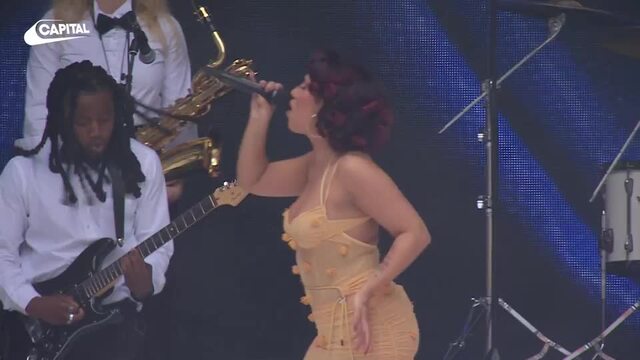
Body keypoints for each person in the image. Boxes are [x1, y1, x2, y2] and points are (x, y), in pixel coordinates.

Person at [237, 50, 431, 359]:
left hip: (373, 328)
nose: (294, 92)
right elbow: (253, 181)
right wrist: (259, 118)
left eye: (304, 87)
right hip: (332, 335)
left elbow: (415, 232)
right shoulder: (316, 166)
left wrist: (369, 289)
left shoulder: (352, 169)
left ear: (324, 107)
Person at [0, 60, 173, 360]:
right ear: (62, 120)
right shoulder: (23, 172)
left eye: (105, 120)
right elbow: (2, 254)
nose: (96, 131)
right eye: (83, 122)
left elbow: (157, 242)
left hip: (115, 325)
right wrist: (32, 303)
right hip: (36, 329)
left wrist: (148, 280)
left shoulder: (142, 164)